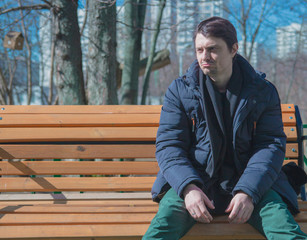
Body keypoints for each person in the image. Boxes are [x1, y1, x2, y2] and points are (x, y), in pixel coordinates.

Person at [143, 16, 307, 239]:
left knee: (285, 230)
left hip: (252, 183)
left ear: (233, 49)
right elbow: (169, 146)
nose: (204, 57)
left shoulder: (262, 91)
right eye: (199, 50)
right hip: (195, 182)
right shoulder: (180, 90)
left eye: (212, 49)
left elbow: (270, 146)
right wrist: (188, 188)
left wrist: (248, 191)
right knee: (160, 231)